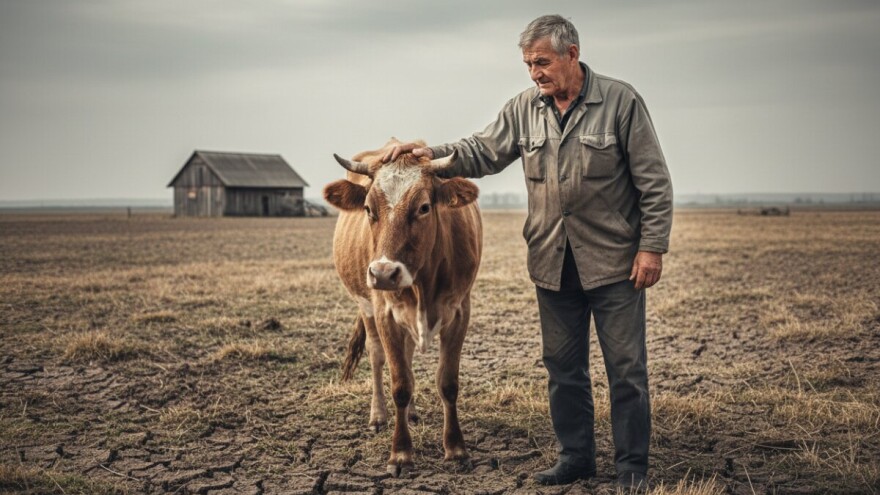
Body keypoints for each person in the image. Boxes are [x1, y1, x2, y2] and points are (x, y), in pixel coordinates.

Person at [383, 15, 672, 490]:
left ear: (572, 54)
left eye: (542, 62)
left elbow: (654, 183)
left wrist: (652, 248)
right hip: (552, 262)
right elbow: (480, 150)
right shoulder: (524, 108)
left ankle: (631, 468)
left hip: (615, 264)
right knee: (563, 369)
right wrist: (427, 154)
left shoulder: (621, 102)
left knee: (626, 370)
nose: (535, 73)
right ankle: (576, 458)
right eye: (528, 65)